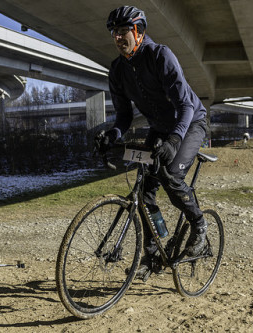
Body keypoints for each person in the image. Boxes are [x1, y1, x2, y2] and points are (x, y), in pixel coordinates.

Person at [97, 5, 208, 277]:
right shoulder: (117, 71)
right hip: (159, 128)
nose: (118, 38)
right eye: (114, 32)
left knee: (170, 174)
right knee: (144, 192)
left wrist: (174, 140)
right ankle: (153, 254)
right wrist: (113, 134)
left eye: (124, 31)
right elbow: (124, 116)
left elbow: (185, 105)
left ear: (139, 31)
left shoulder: (160, 56)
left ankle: (200, 226)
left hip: (190, 123)